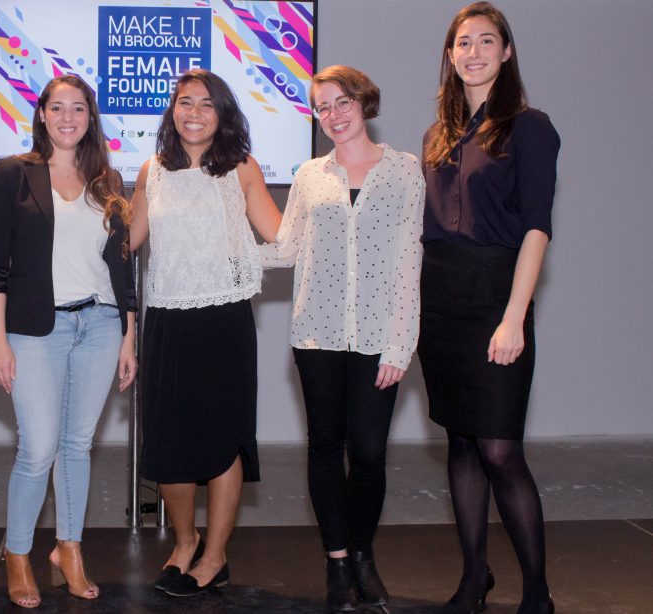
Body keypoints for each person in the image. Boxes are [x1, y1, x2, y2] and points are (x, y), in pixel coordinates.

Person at [265, 65, 423, 612]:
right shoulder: (310, 175)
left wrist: (400, 345)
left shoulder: (404, 171)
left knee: (371, 453)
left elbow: (410, 261)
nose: (332, 114)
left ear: (364, 102)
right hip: (317, 335)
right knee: (325, 448)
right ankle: (337, 562)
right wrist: (225, 251)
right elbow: (287, 248)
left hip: (379, 338)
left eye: (341, 102)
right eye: (322, 107)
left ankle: (362, 554)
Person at [420, 3, 560, 613]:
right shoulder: (438, 135)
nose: (472, 52)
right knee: (461, 444)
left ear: (506, 51)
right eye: (462, 43)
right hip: (439, 299)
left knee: (500, 450)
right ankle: (474, 578)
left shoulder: (530, 127)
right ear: (450, 56)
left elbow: (537, 228)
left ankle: (538, 594)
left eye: (484, 41)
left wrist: (513, 316)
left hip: (495, 296)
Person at [0, 74, 137, 608]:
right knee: (38, 448)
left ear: (90, 118)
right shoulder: (12, 173)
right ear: (42, 114)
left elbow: (120, 267)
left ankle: (69, 549)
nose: (68, 117)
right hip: (32, 331)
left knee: (77, 446)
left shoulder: (107, 180)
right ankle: (18, 554)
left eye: (78, 108)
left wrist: (128, 335)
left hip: (101, 325)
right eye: (58, 108)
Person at [129, 68, 281, 598]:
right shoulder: (151, 171)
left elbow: (280, 236)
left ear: (223, 114)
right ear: (172, 111)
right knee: (169, 441)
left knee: (221, 440)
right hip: (166, 320)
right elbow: (128, 240)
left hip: (224, 320)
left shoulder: (241, 168)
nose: (194, 113)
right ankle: (185, 541)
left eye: (206, 104)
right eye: (184, 102)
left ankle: (215, 556)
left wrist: (239, 263)